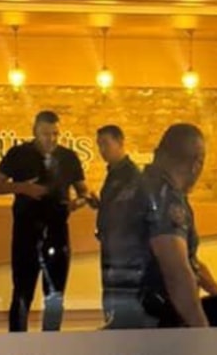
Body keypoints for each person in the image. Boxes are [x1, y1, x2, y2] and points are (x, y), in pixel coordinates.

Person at [100, 123, 217, 328]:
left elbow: (190, 262)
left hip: (121, 310)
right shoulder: (165, 197)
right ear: (197, 164)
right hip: (154, 318)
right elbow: (176, 271)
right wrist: (202, 330)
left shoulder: (130, 188)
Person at [0, 110, 92, 332]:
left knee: (55, 295)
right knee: (22, 292)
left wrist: (77, 203)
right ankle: (18, 343)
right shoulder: (18, 154)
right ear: (35, 132)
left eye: (55, 134)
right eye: (46, 134)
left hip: (57, 232)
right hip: (26, 233)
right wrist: (23, 187)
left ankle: (50, 343)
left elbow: (84, 192)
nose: (51, 139)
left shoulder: (69, 157)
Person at [92, 124, 141, 325]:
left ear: (120, 142)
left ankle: (121, 327)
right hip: (111, 242)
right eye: (99, 145)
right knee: (110, 288)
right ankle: (113, 324)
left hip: (124, 246)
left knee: (121, 291)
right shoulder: (113, 173)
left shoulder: (131, 174)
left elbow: (127, 209)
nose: (102, 150)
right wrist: (99, 205)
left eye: (106, 143)